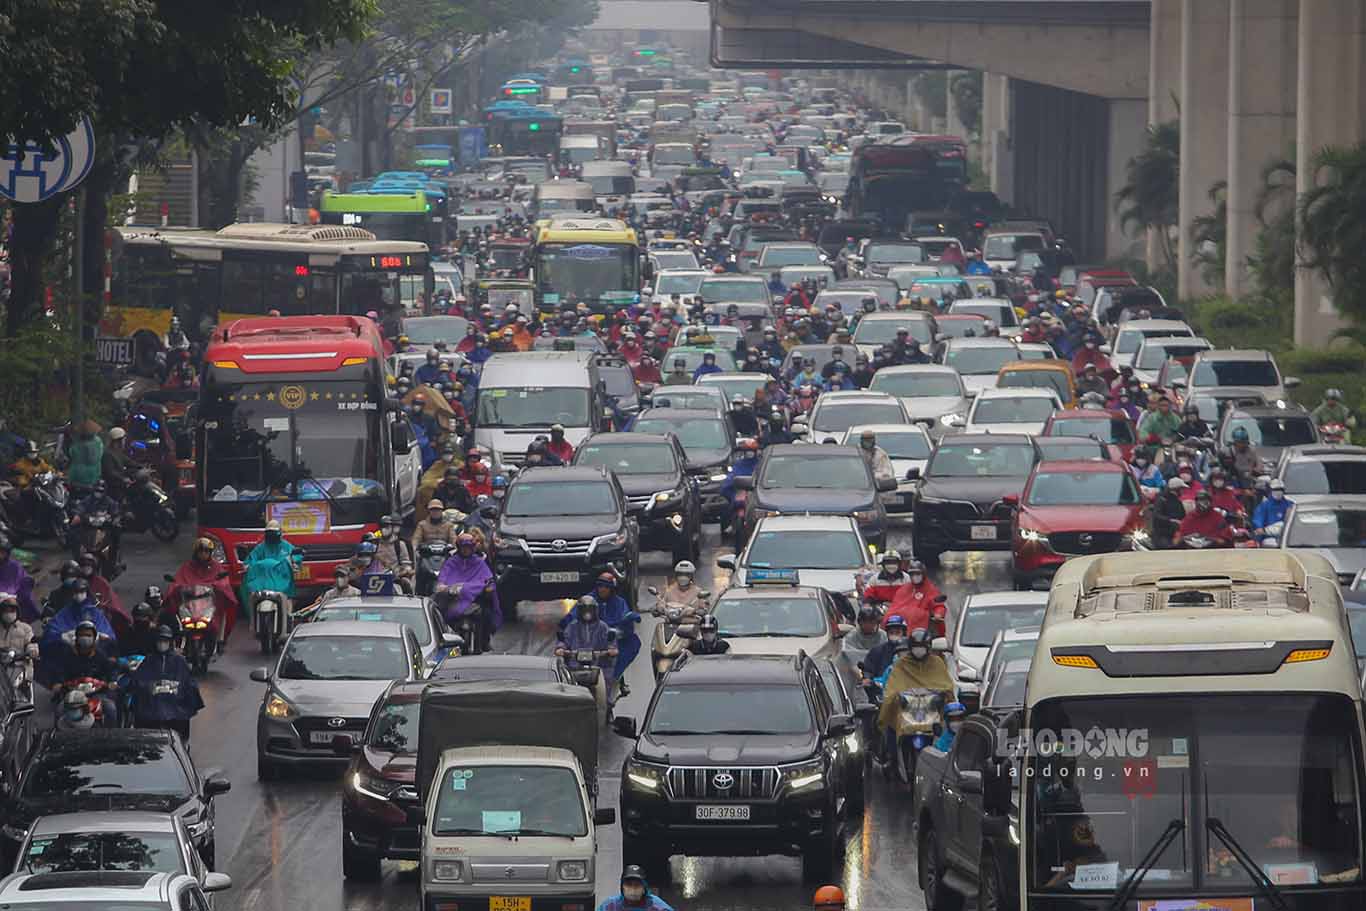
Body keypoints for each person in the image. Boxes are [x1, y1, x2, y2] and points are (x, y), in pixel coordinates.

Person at [876, 627, 954, 754]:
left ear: (928, 647)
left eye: (922, 647)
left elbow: (946, 686)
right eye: (916, 647)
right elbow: (892, 688)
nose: (919, 651)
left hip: (931, 716)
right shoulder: (901, 665)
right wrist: (894, 698)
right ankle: (891, 759)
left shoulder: (937, 663)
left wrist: (942, 695)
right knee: (891, 730)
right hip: (905, 715)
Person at [128, 624, 204, 742]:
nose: (162, 643)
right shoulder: (149, 660)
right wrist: (150, 687)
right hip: (152, 707)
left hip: (175, 707)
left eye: (165, 641)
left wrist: (178, 691)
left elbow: (189, 683)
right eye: (160, 640)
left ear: (170, 642)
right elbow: (138, 681)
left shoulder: (179, 661)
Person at [166, 537, 239, 653]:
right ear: (196, 552)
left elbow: (224, 582)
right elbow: (178, 580)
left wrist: (219, 586)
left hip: (208, 603)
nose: (203, 554)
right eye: (201, 551)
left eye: (206, 551)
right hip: (190, 604)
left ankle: (220, 640)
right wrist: (176, 586)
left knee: (223, 612)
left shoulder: (216, 567)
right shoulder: (187, 567)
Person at [435, 533, 500, 651]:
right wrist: (442, 586)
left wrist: (488, 586)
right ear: (459, 548)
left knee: (486, 613)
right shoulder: (451, 562)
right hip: (454, 599)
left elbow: (487, 578)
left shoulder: (479, 562)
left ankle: (484, 641)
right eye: (463, 547)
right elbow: (443, 577)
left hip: (476, 599)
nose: (466, 550)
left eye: (468, 547)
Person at [49, 619, 120, 725]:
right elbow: (59, 671)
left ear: (94, 638)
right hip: (72, 695)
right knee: (59, 710)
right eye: (82, 635)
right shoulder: (68, 655)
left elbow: (110, 670)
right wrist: (58, 683)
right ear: (77, 637)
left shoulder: (100, 655)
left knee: (111, 709)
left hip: (96, 695)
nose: (85, 638)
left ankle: (110, 739)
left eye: (88, 635)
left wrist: (112, 681)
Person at [585, 572, 641, 697]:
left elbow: (625, 617)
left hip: (611, 641)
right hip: (589, 641)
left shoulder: (619, 602)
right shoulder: (589, 600)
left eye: (605, 587)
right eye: (600, 586)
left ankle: (617, 678)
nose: (602, 589)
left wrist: (628, 620)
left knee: (630, 644)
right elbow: (573, 617)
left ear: (612, 589)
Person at [556, 595, 619, 701]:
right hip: (575, 666)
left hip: (598, 665)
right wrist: (561, 648)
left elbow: (611, 642)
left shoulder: (603, 627)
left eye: (590, 610)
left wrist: (611, 649)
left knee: (607, 680)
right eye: (584, 610)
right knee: (563, 683)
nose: (587, 613)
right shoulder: (572, 626)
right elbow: (564, 640)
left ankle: (606, 703)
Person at [241, 519, 301, 623]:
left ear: (280, 533)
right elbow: (251, 558)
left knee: (288, 599)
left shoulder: (286, 546)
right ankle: (253, 620)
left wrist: (294, 562)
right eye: (269, 532)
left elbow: (295, 555)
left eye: (274, 532)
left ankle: (288, 619)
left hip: (282, 581)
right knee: (251, 595)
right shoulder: (261, 547)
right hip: (263, 581)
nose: (272, 535)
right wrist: (248, 565)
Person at [866, 560, 945, 635]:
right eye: (912, 574)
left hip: (919, 628)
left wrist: (938, 614)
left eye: (918, 574)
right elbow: (895, 605)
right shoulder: (904, 588)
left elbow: (938, 605)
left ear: (923, 574)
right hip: (899, 623)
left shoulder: (930, 589)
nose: (915, 576)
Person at [596, 865, 673, 911]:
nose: (633, 889)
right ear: (622, 887)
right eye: (629, 884)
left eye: (637, 885)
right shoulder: (611, 906)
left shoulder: (658, 907)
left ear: (644, 888)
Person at [862, 614, 909, 683]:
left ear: (904, 633)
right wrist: (868, 678)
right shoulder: (877, 651)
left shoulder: (912, 650)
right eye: (891, 632)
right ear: (887, 634)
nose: (894, 635)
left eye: (897, 632)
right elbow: (868, 670)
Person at [0, 536, 37, 622]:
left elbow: (21, 580)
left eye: (2, 552)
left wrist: (10, 594)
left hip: (13, 597)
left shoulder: (14, 565)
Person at [374, 514, 415, 590]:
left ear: (392, 528)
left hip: (395, 578)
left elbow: (406, 564)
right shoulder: (375, 544)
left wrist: (405, 571)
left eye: (387, 527)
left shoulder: (400, 544)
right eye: (382, 526)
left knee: (406, 583)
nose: (384, 529)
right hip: (376, 578)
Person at [67, 421, 104, 491]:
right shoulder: (98, 441)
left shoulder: (78, 444)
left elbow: (71, 454)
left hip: (78, 474)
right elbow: (100, 454)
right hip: (95, 472)